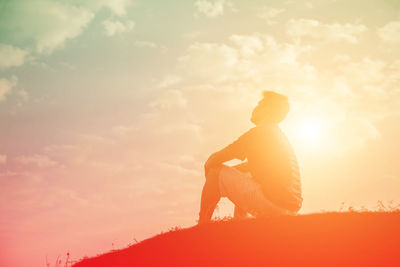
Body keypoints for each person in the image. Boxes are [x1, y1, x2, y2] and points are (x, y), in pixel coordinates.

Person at [198, 91, 302, 224]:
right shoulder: (278, 135)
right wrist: (230, 175)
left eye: (260, 105)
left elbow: (213, 160)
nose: (255, 108)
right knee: (245, 172)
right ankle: (242, 221)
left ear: (268, 110)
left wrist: (212, 178)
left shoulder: (260, 132)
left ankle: (202, 225)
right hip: (290, 209)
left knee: (215, 172)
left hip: (273, 204)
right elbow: (252, 167)